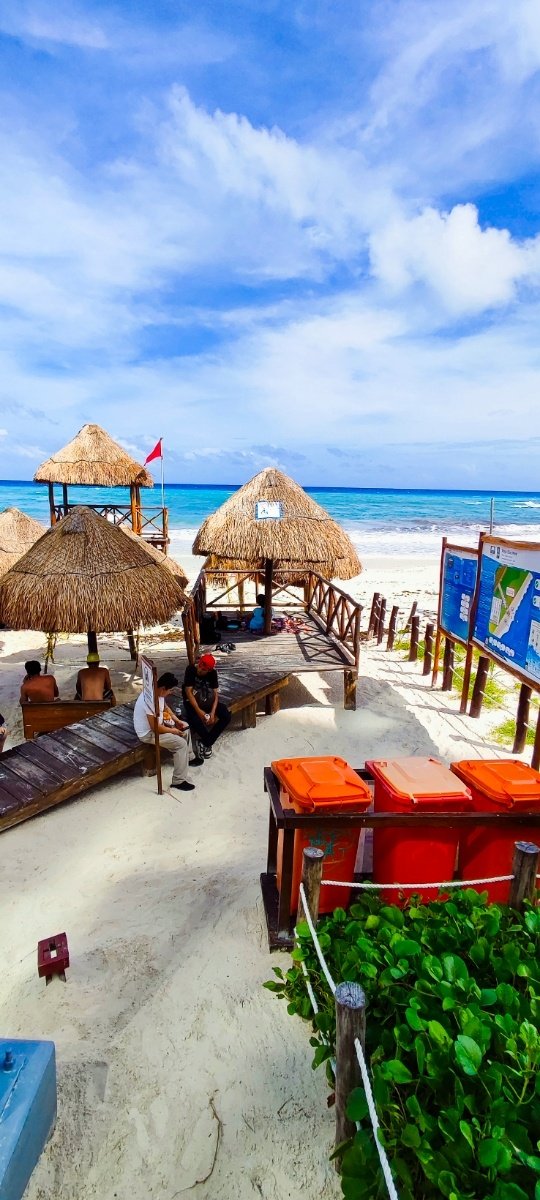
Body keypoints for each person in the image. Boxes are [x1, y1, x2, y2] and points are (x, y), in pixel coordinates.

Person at [133, 672, 201, 791]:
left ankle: (189, 757)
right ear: (164, 688)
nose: (171, 693)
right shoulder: (149, 701)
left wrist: (176, 721)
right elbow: (155, 728)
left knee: (185, 726)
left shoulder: (157, 691)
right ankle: (178, 781)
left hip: (159, 726)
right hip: (148, 733)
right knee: (180, 744)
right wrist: (173, 731)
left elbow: (165, 708)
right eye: (170, 690)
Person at [182, 653, 231, 758]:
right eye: (200, 666)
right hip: (191, 702)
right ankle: (207, 741)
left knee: (226, 715)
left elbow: (215, 694)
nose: (200, 670)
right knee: (195, 720)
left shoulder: (213, 673)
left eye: (203, 670)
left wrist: (212, 713)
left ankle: (205, 742)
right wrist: (199, 711)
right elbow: (188, 692)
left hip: (207, 700)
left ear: (208, 670)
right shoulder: (190, 669)